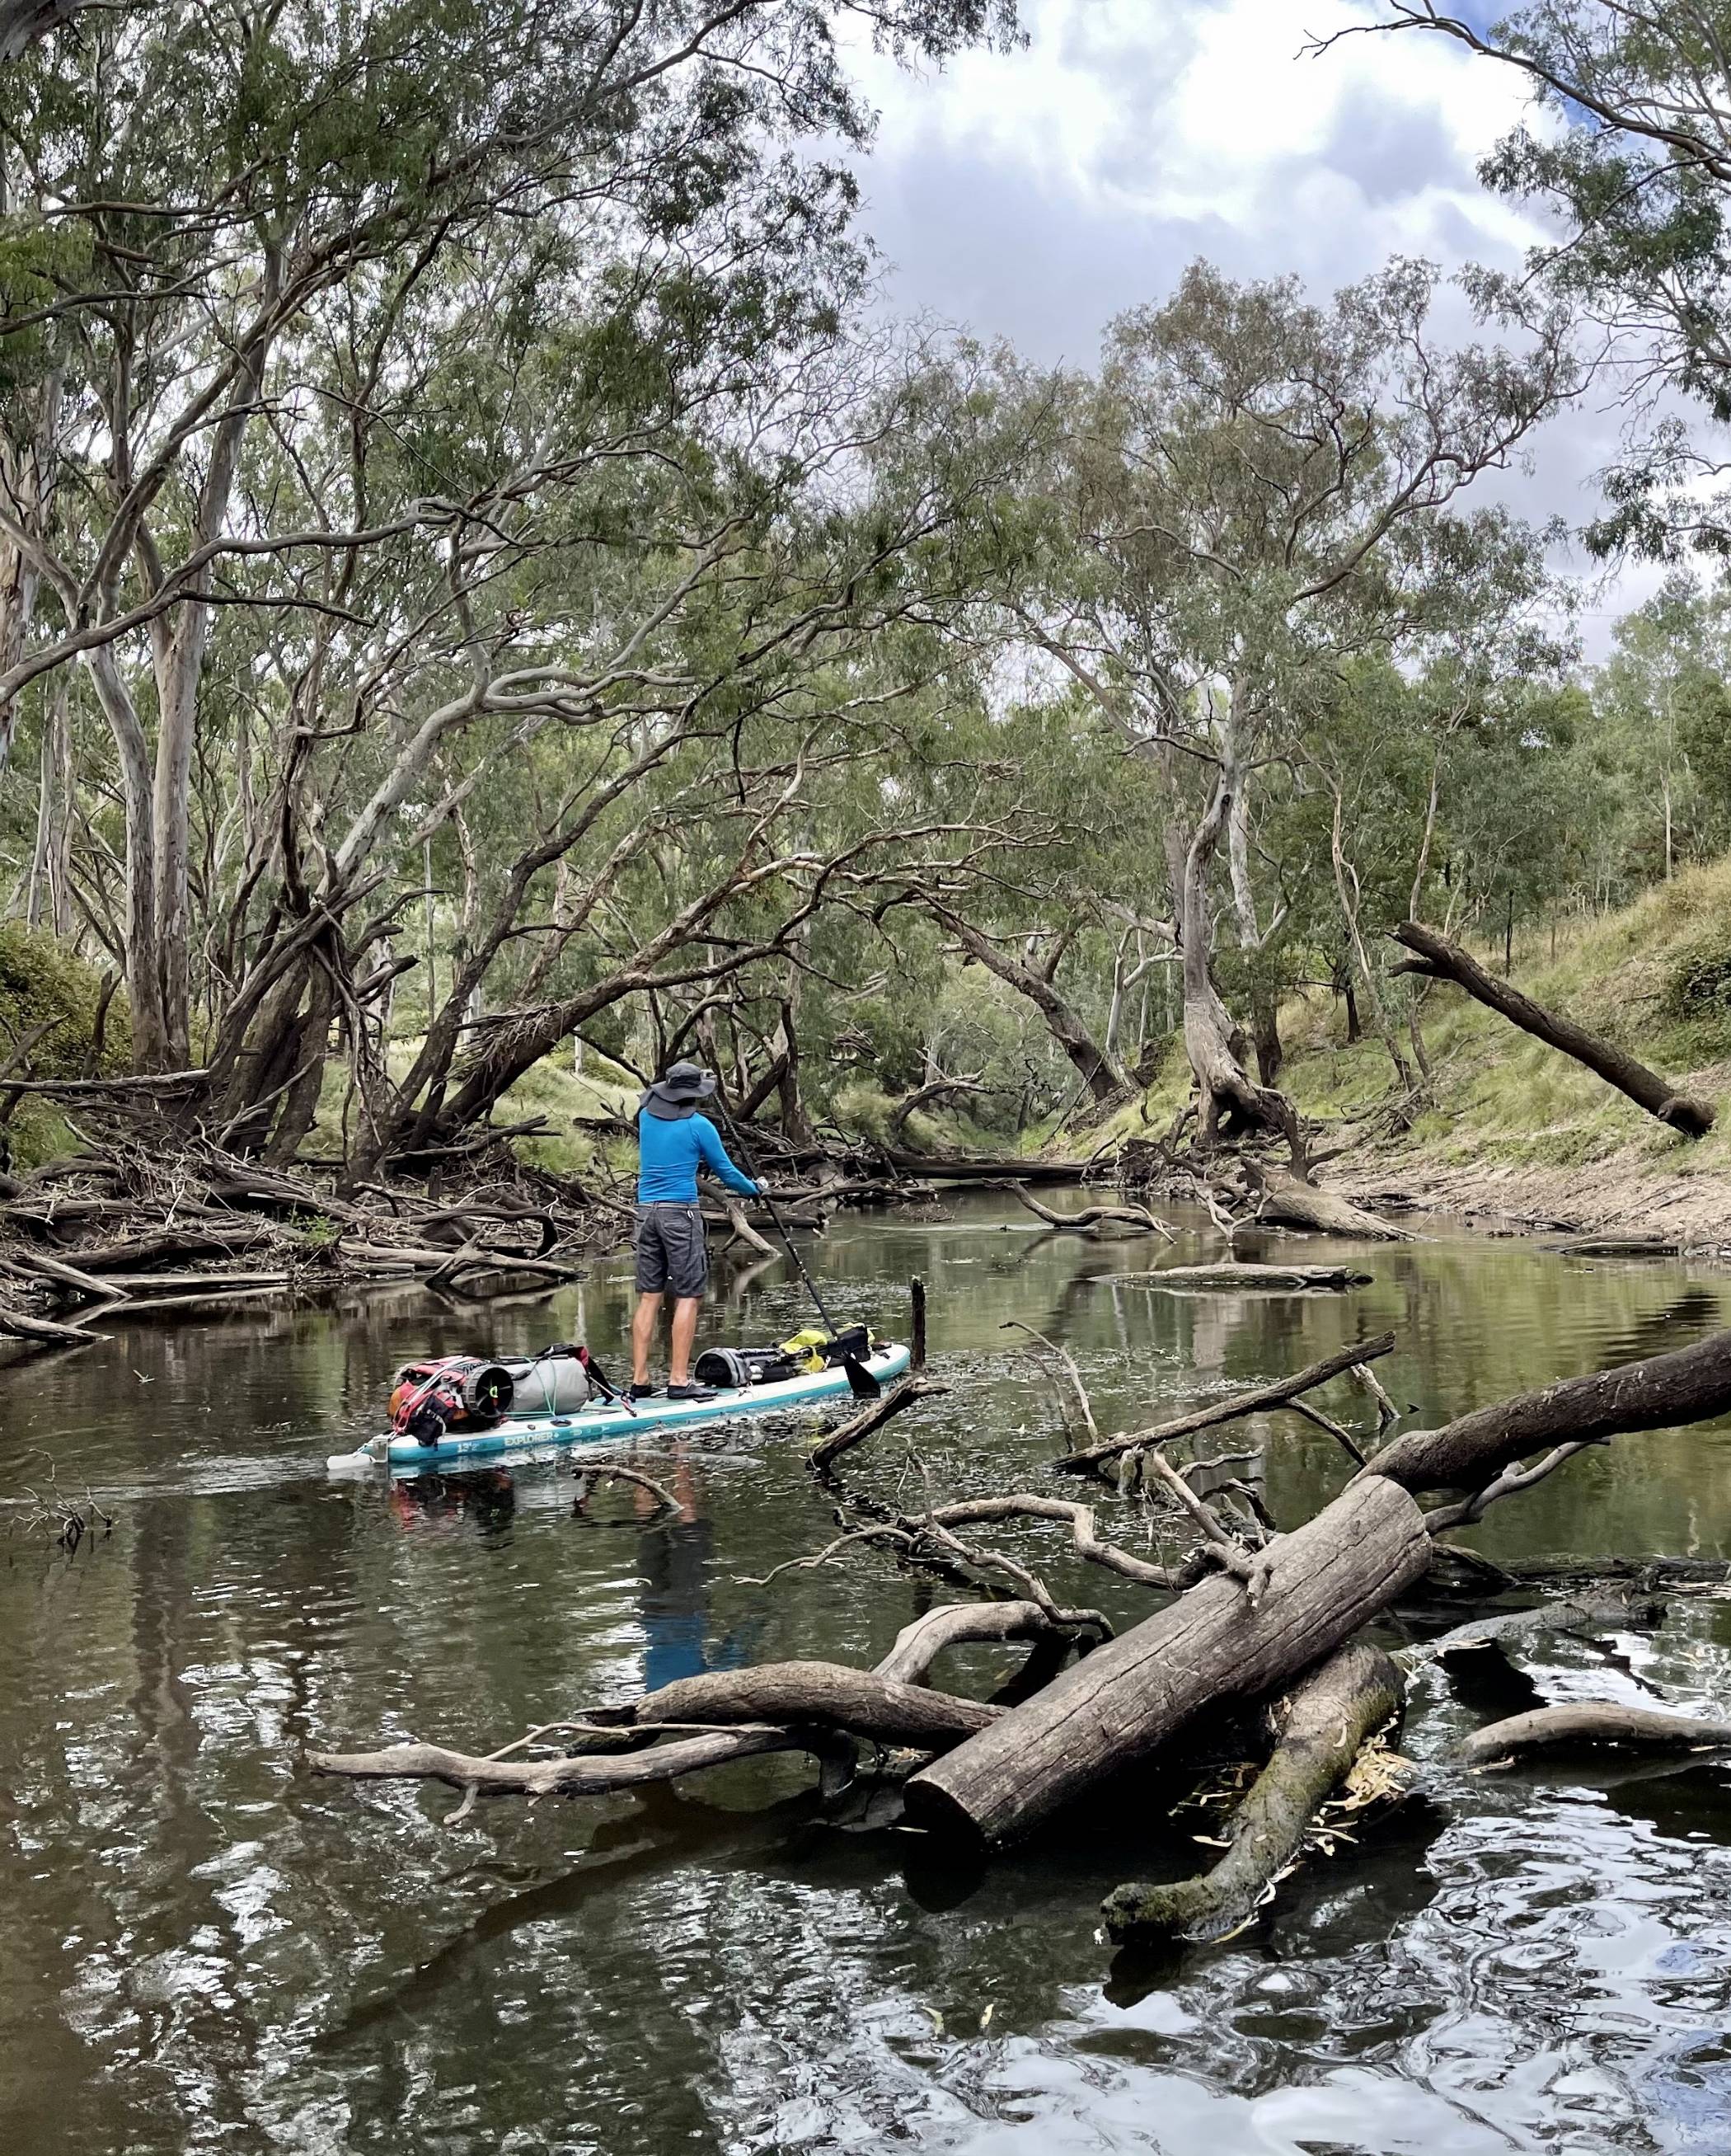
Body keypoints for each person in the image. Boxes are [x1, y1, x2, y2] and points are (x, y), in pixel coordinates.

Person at [630, 1059, 762, 1399]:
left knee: (650, 1296)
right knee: (688, 1295)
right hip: (680, 1215)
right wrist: (755, 1188)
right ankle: (678, 1380)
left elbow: (651, 1101)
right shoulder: (700, 1126)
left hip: (646, 1213)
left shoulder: (645, 1117)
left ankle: (640, 1380)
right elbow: (728, 1174)